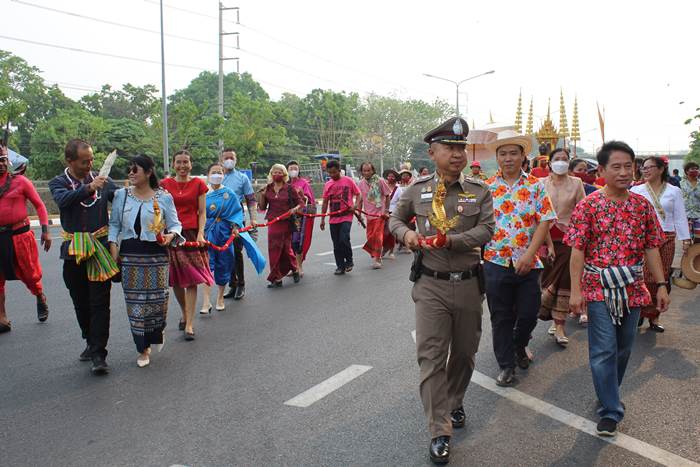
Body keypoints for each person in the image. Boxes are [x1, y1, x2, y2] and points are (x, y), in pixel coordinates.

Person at [390, 117, 494, 464]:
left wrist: (452, 240)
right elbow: (396, 219)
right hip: (430, 284)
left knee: (464, 355)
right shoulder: (416, 189)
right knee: (432, 359)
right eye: (449, 148)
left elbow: (487, 230)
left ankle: (454, 400)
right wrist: (406, 236)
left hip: (467, 284)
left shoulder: (478, 190)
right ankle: (439, 430)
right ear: (432, 152)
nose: (457, 154)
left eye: (461, 148)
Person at [566, 141, 669, 437]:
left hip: (634, 288)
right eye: (617, 167)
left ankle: (607, 391)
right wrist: (576, 291)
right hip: (599, 288)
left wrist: (661, 285)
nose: (624, 172)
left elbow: (651, 247)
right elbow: (577, 251)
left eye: (629, 166)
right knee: (604, 350)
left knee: (624, 349)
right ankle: (611, 410)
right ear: (602, 170)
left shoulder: (641, 205)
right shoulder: (589, 205)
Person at [483, 130, 556, 387]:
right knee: (500, 316)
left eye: (513, 153)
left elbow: (545, 220)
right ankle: (506, 365)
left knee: (528, 314)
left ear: (523, 156)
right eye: (503, 154)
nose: (508, 158)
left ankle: (519, 344)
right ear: (497, 157)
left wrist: (530, 254)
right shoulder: (486, 188)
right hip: (495, 261)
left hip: (529, 262)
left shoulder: (535, 186)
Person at [49, 139, 118, 374]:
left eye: (91, 160)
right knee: (80, 301)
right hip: (73, 250)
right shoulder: (58, 183)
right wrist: (89, 188)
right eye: (84, 161)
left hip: (99, 248)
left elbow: (121, 199)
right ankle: (90, 340)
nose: (90, 165)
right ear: (70, 161)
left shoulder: (103, 179)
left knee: (100, 303)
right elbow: (63, 201)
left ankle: (99, 353)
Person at [109, 155, 183, 368]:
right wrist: (114, 252)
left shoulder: (164, 197)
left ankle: (156, 332)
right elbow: (114, 225)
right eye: (129, 170)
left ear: (149, 172)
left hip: (157, 256)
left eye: (135, 169)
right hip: (130, 256)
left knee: (156, 302)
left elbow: (175, 224)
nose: (131, 173)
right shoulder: (121, 196)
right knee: (135, 304)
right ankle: (143, 348)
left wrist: (171, 236)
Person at [631, 156, 691, 332]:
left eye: (650, 167)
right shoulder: (637, 190)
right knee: (642, 276)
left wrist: (685, 239)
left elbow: (679, 216)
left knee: (662, 277)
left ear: (661, 169)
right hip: (643, 238)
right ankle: (640, 312)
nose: (646, 170)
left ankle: (655, 316)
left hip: (667, 237)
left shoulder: (674, 191)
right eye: (644, 167)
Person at [160, 150, 214, 340]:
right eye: (179, 162)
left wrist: (200, 233)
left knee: (192, 279)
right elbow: (159, 211)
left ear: (191, 164)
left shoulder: (199, 184)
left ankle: (189, 323)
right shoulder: (164, 185)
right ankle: (184, 312)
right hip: (172, 236)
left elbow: (202, 212)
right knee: (176, 279)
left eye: (186, 162)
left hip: (191, 235)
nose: (182, 166)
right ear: (173, 164)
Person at [0, 144, 51, 335]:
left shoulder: (20, 181)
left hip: (20, 236)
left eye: (3, 160)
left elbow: (40, 206)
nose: (1, 164)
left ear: (8, 161)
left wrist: (45, 231)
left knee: (30, 275)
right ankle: (2, 317)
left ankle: (39, 296)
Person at [201, 163, 266, 311]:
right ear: (208, 174)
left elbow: (236, 213)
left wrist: (235, 227)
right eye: (213, 172)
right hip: (207, 232)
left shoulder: (229, 194)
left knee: (224, 263)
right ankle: (206, 301)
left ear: (223, 175)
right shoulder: (202, 193)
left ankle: (220, 296)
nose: (217, 175)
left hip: (224, 233)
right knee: (205, 265)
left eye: (219, 172)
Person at [539, 148, 586, 346]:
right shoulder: (540, 184)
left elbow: (583, 210)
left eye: (564, 159)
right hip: (545, 238)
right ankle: (551, 315)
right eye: (557, 159)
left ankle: (559, 325)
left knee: (564, 281)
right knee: (548, 280)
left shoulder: (576, 183)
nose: (561, 162)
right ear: (549, 163)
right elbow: (537, 212)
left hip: (569, 239)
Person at [220, 148, 257, 300]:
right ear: (221, 160)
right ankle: (232, 284)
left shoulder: (242, 178)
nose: (229, 160)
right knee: (224, 253)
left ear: (235, 160)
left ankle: (241, 284)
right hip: (219, 220)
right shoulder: (217, 177)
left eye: (231, 157)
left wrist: (253, 218)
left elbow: (251, 199)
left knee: (236, 252)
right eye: (226, 158)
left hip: (236, 219)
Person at [259, 164, 304, 287]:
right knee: (273, 249)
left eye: (280, 172)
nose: (277, 174)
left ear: (284, 175)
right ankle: (276, 277)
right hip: (273, 222)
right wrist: (262, 195)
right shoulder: (267, 188)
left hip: (287, 222)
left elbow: (301, 203)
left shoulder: (290, 188)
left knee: (285, 249)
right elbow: (262, 207)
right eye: (275, 172)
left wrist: (294, 210)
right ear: (271, 174)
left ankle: (294, 269)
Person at [320, 160, 360, 275]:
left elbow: (358, 194)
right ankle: (340, 266)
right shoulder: (328, 184)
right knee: (336, 243)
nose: (332, 175)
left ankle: (349, 261)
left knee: (344, 238)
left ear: (339, 170)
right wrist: (322, 219)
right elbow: (325, 202)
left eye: (334, 172)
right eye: (330, 173)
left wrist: (355, 206)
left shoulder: (348, 181)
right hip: (333, 217)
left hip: (346, 215)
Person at [358, 162, 391, 269]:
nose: (367, 173)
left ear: (373, 171)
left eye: (369, 170)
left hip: (379, 215)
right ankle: (376, 254)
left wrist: (386, 210)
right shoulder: (361, 183)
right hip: (368, 215)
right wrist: (359, 214)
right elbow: (360, 200)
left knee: (377, 237)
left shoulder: (380, 181)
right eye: (364, 171)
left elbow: (387, 195)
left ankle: (377, 259)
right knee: (370, 237)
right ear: (362, 172)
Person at [287, 161, 315, 276]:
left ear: (299, 170)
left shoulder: (303, 183)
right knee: (288, 243)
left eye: (295, 168)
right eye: (291, 168)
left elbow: (309, 199)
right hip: (287, 216)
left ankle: (299, 266)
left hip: (299, 217)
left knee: (297, 242)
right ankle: (292, 267)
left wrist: (302, 195)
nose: (293, 170)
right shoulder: (284, 183)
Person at [382, 169, 401, 259]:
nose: (390, 178)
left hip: (393, 212)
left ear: (396, 178)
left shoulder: (399, 189)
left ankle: (390, 251)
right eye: (389, 176)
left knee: (390, 232)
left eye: (393, 176)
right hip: (383, 211)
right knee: (382, 233)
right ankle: (384, 248)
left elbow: (401, 202)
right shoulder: (383, 186)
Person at [680, 162, 700, 243]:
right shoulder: (681, 183)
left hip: (698, 215)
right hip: (685, 216)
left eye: (696, 169)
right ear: (686, 171)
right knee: (686, 242)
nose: (695, 170)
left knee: (698, 242)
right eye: (692, 169)